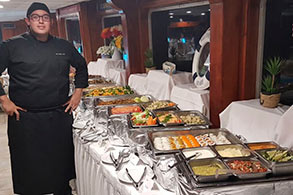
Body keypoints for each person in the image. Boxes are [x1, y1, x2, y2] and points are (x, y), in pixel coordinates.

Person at [0, 2, 88, 195]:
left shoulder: (63, 46)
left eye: (45, 17)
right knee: (29, 172)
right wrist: (4, 99)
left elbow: (81, 67)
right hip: (24, 119)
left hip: (58, 116)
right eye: (35, 17)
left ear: (51, 21)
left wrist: (78, 92)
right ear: (27, 21)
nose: (41, 20)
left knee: (60, 170)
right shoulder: (11, 46)